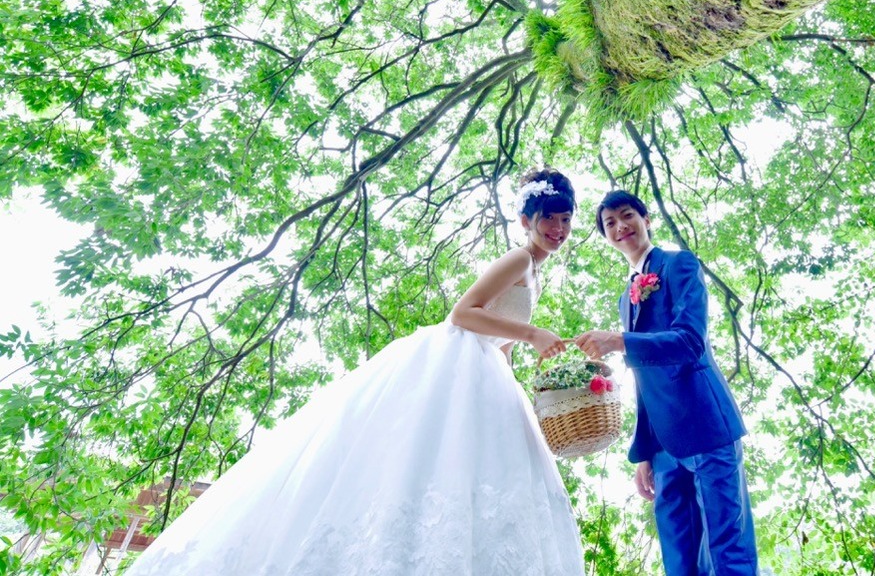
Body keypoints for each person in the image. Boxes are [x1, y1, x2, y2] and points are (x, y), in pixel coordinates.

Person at [125, 169, 586, 576]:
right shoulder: (520, 259)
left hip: (484, 376)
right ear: (526, 220)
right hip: (453, 363)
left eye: (565, 219)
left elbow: (499, 342)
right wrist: (534, 335)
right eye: (548, 217)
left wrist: (515, 383)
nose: (558, 228)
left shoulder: (535, 274)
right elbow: (462, 313)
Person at [576, 190, 758, 576]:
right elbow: (644, 379)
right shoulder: (625, 299)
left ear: (646, 220)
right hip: (662, 447)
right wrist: (644, 451)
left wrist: (619, 340)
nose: (620, 226)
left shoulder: (680, 265)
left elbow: (691, 342)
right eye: (610, 223)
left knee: (728, 548)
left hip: (706, 426)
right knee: (678, 559)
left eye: (627, 216)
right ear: (606, 237)